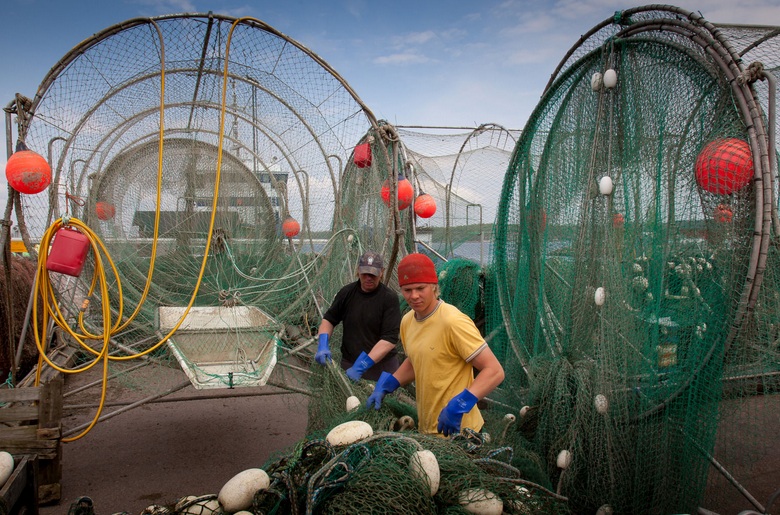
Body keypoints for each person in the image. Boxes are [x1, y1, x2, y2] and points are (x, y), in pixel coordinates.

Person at [366, 253, 505, 436]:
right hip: (428, 429)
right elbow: (418, 359)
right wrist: (391, 382)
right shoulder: (407, 321)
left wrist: (461, 404)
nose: (414, 296)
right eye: (407, 290)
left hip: (461, 431)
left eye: (420, 288)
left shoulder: (453, 321)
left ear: (434, 287)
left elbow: (494, 371)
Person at [314, 251, 402, 381]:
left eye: (373, 274)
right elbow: (329, 319)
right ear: (358, 271)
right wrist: (323, 343)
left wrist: (362, 365)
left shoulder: (389, 298)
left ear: (381, 272)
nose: (368, 278)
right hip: (349, 364)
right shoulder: (346, 293)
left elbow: (389, 340)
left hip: (381, 369)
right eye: (365, 273)